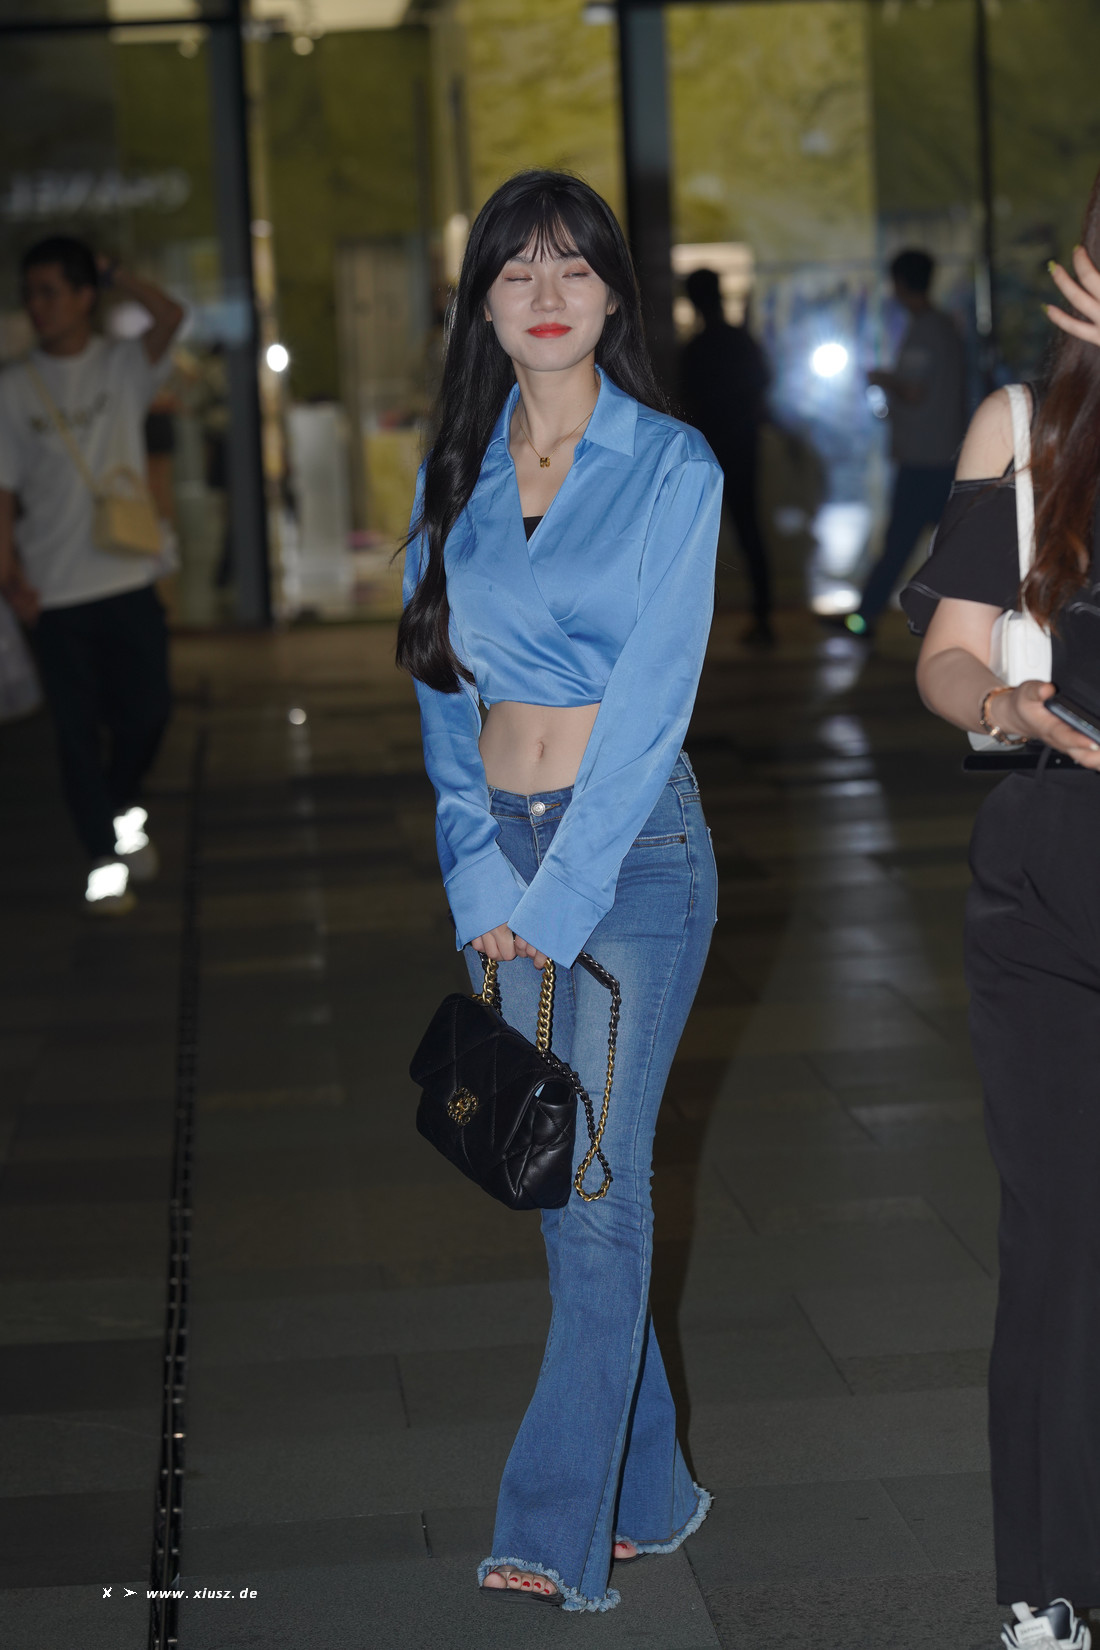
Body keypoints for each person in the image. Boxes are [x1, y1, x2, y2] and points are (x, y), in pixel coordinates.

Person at [398, 171, 722, 1613]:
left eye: (573, 268)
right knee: (553, 1178)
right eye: (516, 269)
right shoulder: (453, 474)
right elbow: (439, 691)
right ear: (481, 300)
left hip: (632, 856)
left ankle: (550, 1524)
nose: (545, 292)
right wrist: (476, 870)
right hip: (501, 853)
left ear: (611, 296)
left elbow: (652, 707)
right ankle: (651, 1489)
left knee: (595, 1191)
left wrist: (558, 898)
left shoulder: (672, 466)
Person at [902, 175, 1100, 1650]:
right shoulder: (1022, 430)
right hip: (1050, 869)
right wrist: (1003, 705)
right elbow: (947, 653)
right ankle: (1050, 1582)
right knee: (1060, 1239)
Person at [0, 236, 184, 914]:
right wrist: (10, 579)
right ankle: (105, 862)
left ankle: (120, 805)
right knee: (76, 735)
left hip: (127, 576)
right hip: (53, 590)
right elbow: (2, 493)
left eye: (51, 291)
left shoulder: (121, 365)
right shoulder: (12, 387)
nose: (37, 306)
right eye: (30, 294)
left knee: (148, 713)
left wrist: (115, 273)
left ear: (84, 297)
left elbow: (170, 316)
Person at [844, 247, 966, 637]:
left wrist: (881, 378)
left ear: (899, 283)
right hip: (942, 455)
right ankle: (965, 621)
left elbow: (913, 391)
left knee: (900, 544)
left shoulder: (925, 330)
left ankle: (865, 617)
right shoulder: (944, 327)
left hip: (923, 459)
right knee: (949, 546)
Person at [679, 266, 774, 644]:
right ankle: (762, 616)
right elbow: (763, 381)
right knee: (749, 528)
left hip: (707, 449)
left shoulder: (696, 349)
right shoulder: (738, 340)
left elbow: (686, 400)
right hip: (742, 443)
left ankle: (690, 625)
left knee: (695, 536)